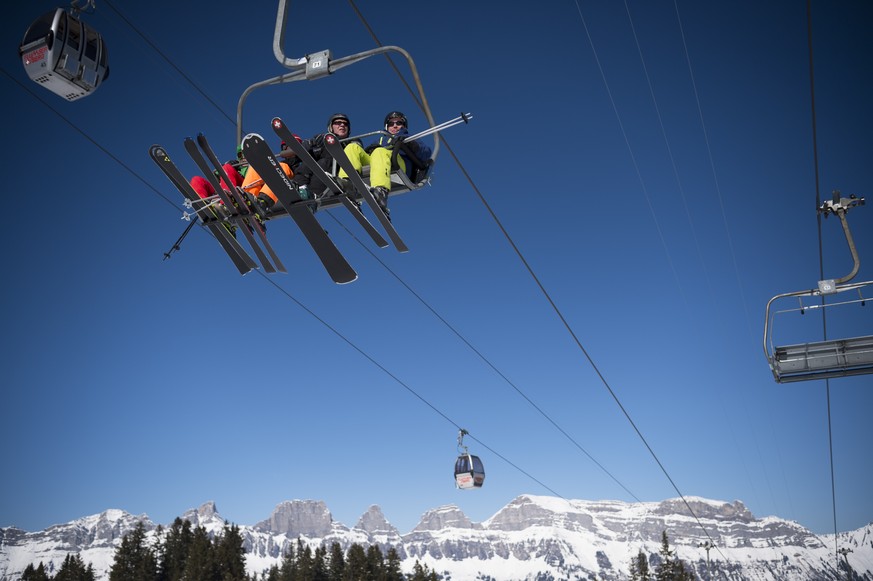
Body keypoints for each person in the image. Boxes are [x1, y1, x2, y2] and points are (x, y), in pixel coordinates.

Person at [340, 111, 432, 215]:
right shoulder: (380, 138)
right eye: (391, 124)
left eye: (398, 123)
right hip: (379, 161)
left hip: (398, 163)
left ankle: (380, 190)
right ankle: (348, 183)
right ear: (387, 126)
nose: (395, 126)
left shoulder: (408, 137)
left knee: (380, 151)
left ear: (404, 126)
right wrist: (369, 150)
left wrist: (411, 144)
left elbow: (426, 153)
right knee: (352, 147)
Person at [292, 113, 359, 201]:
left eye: (345, 124)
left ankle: (312, 195)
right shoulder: (321, 139)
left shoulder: (353, 142)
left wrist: (335, 142)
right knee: (310, 160)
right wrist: (312, 143)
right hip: (316, 167)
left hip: (338, 168)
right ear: (330, 127)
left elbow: (356, 150)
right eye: (338, 123)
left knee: (326, 160)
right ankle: (299, 186)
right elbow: (300, 153)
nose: (342, 125)